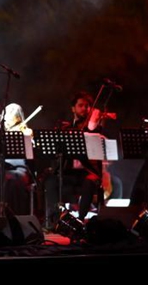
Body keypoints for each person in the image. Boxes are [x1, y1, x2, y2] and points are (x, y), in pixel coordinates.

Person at [42, 91, 110, 229]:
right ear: (73, 108)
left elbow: (94, 133)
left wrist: (93, 123)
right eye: (81, 105)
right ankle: (55, 220)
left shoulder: (94, 127)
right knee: (50, 182)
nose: (85, 108)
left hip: (86, 172)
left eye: (87, 106)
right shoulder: (66, 128)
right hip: (69, 173)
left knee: (89, 182)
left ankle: (79, 221)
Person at [0, 103, 35, 217]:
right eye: (6, 117)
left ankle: (13, 216)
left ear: (18, 118)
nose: (7, 121)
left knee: (10, 180)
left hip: (19, 169)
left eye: (11, 117)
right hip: (1, 169)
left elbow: (31, 155)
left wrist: (28, 139)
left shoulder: (25, 131)